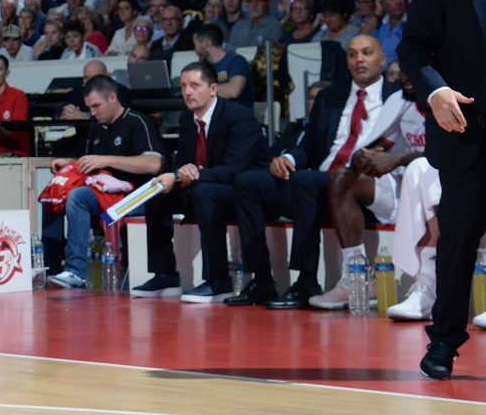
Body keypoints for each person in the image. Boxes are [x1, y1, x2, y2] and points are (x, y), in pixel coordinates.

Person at [230, 34, 397, 309]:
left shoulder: (396, 96)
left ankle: (306, 279)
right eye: (353, 54)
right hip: (318, 184)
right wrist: (286, 157)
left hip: (362, 186)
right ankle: (261, 279)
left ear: (382, 58)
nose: (360, 60)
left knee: (305, 180)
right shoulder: (330, 96)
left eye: (367, 53)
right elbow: (308, 146)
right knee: (248, 182)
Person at [397, 0, 486, 377]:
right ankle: (445, 341)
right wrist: (434, 92)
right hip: (464, 129)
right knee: (458, 235)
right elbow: (414, 47)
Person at [136, 61, 266, 301]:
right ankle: (165, 275)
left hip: (242, 193)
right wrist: (178, 174)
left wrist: (187, 176)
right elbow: (181, 161)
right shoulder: (187, 120)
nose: (187, 92)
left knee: (203, 191)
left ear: (213, 89)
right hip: (203, 187)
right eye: (184, 86)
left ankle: (218, 281)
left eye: (195, 85)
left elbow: (233, 170)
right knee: (158, 191)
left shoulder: (239, 117)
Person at [314, 72, 428, 311]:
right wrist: (365, 157)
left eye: (413, 67)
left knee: (420, 170)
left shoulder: (446, 100)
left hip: (442, 186)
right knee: (342, 179)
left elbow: (457, 156)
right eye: (403, 68)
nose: (407, 75)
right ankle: (358, 278)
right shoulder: (399, 101)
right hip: (402, 187)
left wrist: (400, 158)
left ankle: (428, 283)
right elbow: (373, 145)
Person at [45, 76, 164, 289]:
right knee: (55, 194)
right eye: (89, 107)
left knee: (77, 197)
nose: (92, 112)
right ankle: (59, 268)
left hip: (135, 195)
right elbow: (93, 163)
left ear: (112, 97)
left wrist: (107, 159)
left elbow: (154, 163)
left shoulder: (137, 122)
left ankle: (77, 271)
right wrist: (70, 163)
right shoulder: (97, 127)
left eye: (96, 106)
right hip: (104, 192)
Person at [189, 23, 253, 108]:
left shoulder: (236, 61)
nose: (195, 50)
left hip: (238, 118)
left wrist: (203, 90)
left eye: (195, 45)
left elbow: (234, 90)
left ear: (205, 43)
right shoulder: (204, 67)